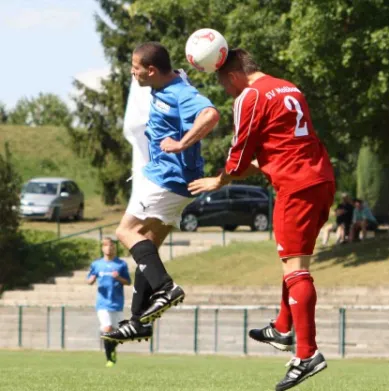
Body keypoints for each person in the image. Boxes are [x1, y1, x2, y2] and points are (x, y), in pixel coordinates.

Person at [188, 48, 335, 391]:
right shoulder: (289, 87)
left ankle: (307, 354)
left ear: (233, 75)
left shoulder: (249, 96)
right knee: (293, 263)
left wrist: (218, 180)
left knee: (295, 269)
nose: (226, 91)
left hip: (295, 187)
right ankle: (283, 328)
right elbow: (280, 149)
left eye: (224, 83)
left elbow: (238, 157)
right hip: (320, 179)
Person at [101, 42, 220, 344]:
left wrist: (182, 144)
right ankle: (140, 320)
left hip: (168, 178)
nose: (132, 71)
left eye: (135, 67)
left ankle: (166, 288)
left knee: (126, 231)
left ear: (151, 70)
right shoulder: (163, 85)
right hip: (178, 182)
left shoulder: (179, 92)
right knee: (149, 243)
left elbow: (210, 115)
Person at [86, 238, 131, 367]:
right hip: (102, 303)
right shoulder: (96, 264)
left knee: (117, 333)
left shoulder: (121, 264)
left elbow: (128, 282)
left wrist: (118, 278)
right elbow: (89, 280)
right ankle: (109, 360)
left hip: (117, 303)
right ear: (102, 248)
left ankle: (111, 350)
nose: (109, 248)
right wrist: (92, 279)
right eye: (106, 246)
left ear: (114, 248)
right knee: (107, 329)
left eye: (111, 246)